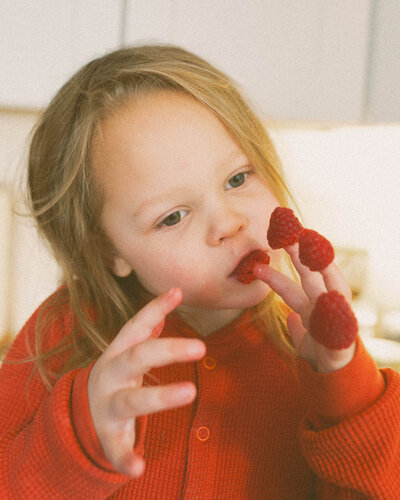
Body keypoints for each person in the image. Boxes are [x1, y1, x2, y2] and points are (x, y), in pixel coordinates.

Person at [0, 44, 399, 499]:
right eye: (172, 216)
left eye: (238, 178)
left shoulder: (313, 357)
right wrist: (79, 436)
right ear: (107, 249)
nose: (229, 222)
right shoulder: (61, 334)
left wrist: (348, 392)